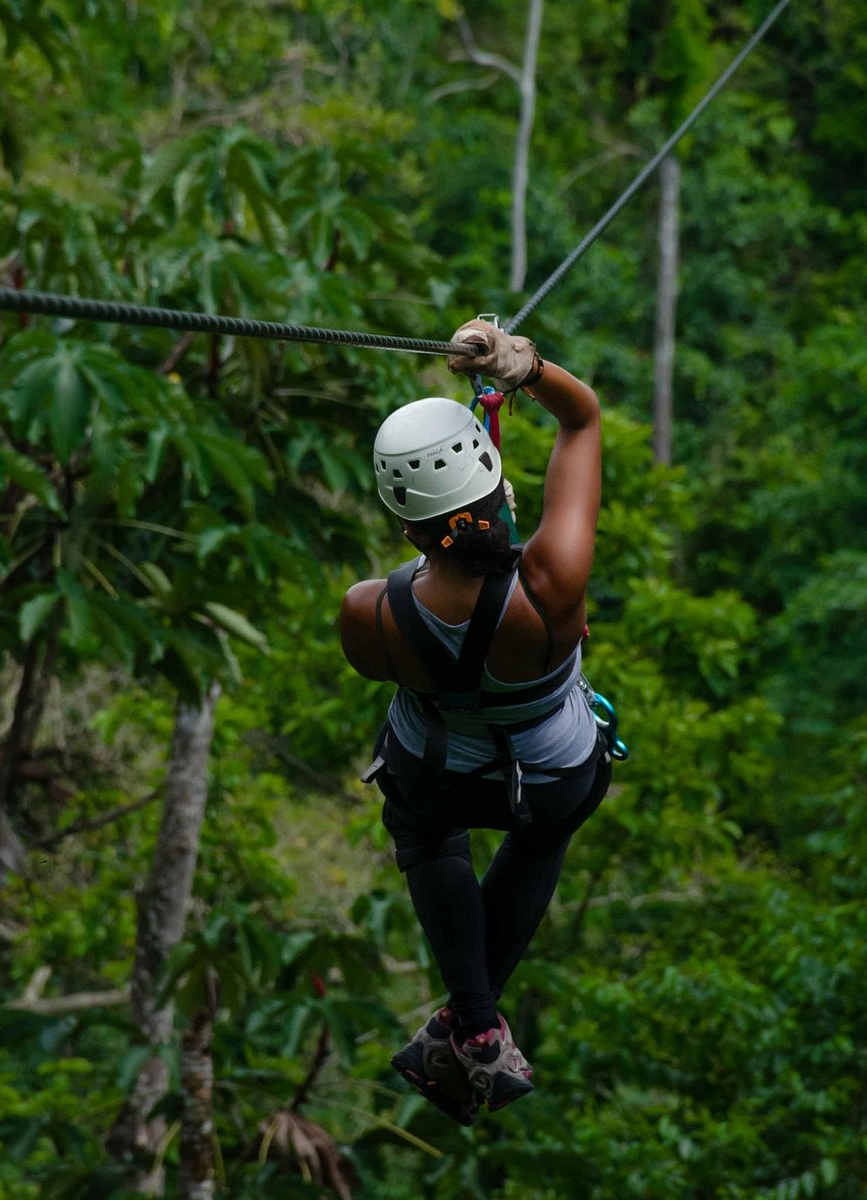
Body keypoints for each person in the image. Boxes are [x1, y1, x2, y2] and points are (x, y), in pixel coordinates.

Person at [338, 318, 614, 1123]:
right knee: (541, 834)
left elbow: (387, 655)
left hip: (438, 776)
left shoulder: (368, 611)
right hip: (552, 774)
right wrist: (525, 369)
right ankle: (474, 1024)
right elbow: (583, 418)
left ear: (403, 518)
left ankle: (475, 1017)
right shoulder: (553, 584)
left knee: (424, 832)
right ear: (496, 485)